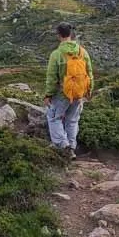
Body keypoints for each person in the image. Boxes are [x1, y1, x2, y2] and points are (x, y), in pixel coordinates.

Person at [44, 23, 93, 160]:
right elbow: (89, 73)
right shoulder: (83, 52)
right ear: (71, 34)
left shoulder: (57, 54)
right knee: (72, 120)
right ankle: (72, 146)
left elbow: (51, 77)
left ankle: (63, 146)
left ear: (59, 35)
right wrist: (89, 90)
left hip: (62, 93)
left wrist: (48, 94)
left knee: (54, 118)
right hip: (79, 93)